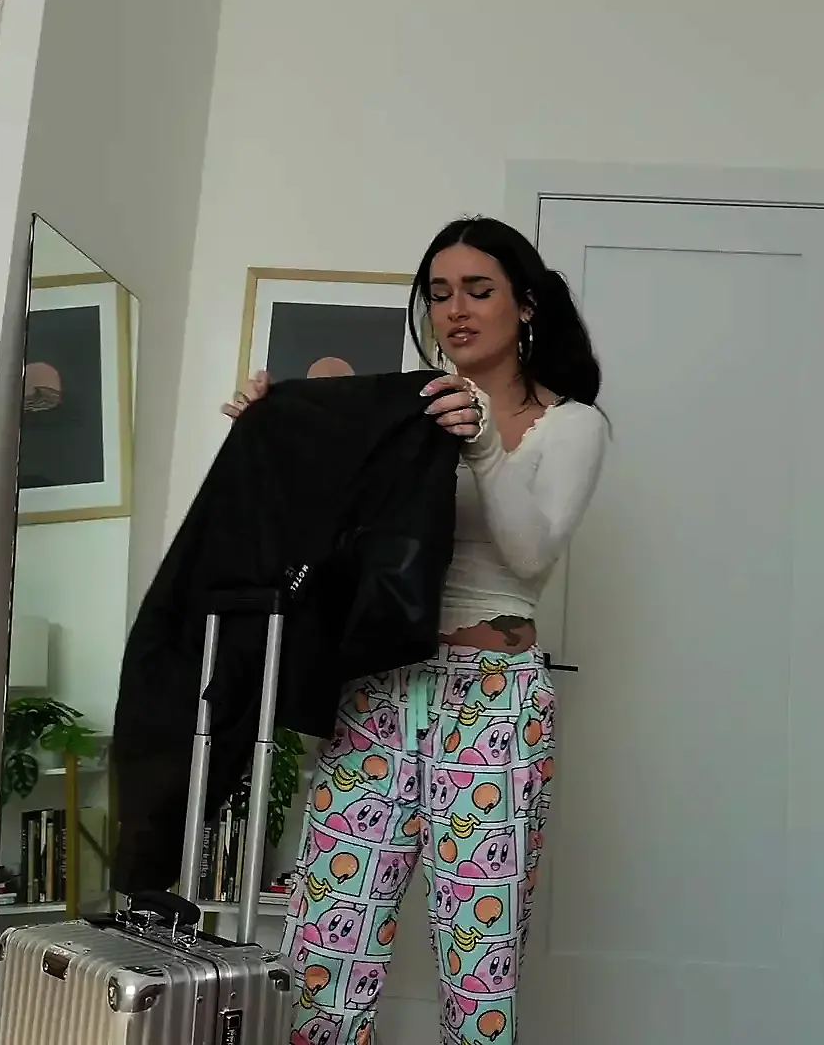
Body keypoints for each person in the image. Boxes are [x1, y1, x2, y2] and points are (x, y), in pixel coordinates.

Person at [222, 216, 607, 1045]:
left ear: (525, 305)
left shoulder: (572, 424)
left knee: (479, 966)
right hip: (377, 691)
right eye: (438, 293)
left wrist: (485, 447)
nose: (455, 310)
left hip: (492, 702)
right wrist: (270, 440)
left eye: (478, 290)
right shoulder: (400, 410)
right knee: (324, 952)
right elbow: (316, 543)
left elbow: (532, 553)